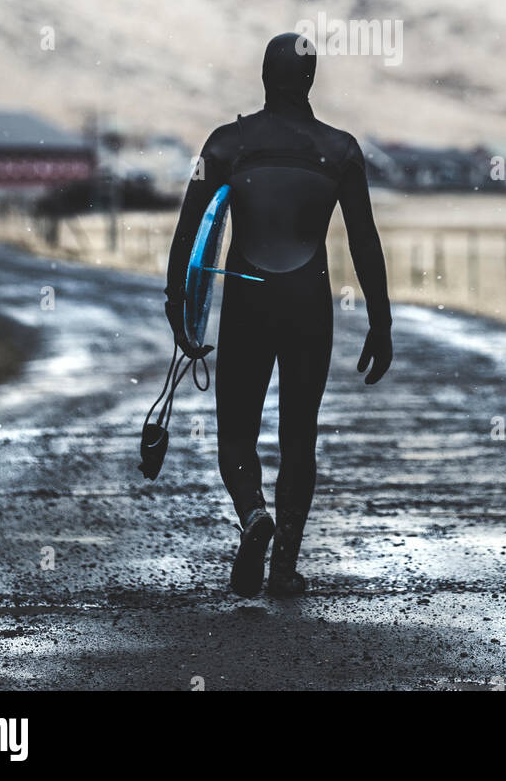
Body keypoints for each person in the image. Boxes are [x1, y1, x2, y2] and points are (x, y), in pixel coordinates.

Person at [165, 32, 393, 597]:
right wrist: (380, 321)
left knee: (236, 434)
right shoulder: (340, 150)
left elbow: (189, 236)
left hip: (247, 299)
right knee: (299, 436)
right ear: (310, 81)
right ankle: (285, 567)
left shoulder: (224, 145)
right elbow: (364, 240)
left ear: (264, 78)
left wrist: (180, 309)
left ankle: (253, 516)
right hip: (308, 303)